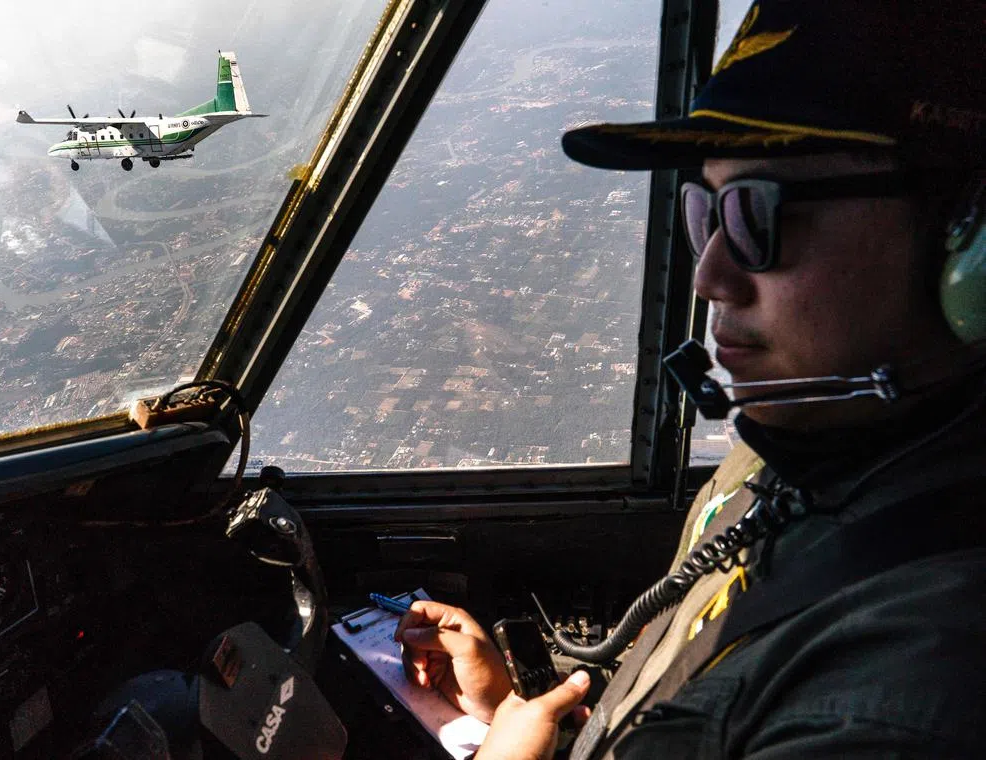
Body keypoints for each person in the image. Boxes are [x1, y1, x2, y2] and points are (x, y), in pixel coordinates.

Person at [394, 1, 985, 757]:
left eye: (755, 216)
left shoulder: (908, 692)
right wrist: (512, 712)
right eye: (703, 212)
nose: (710, 277)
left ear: (969, 243)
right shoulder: (783, 458)